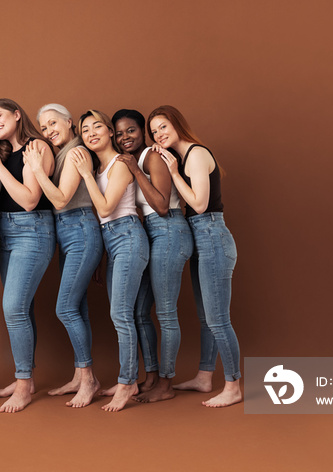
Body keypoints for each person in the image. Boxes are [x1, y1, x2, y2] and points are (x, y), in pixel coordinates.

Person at [148, 105, 242, 407]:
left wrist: (173, 172)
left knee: (218, 319)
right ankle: (204, 376)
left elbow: (200, 205)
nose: (159, 134)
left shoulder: (197, 154)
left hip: (212, 235)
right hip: (201, 238)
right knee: (206, 317)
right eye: (154, 131)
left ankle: (233, 385)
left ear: (177, 124)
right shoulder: (179, 156)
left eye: (163, 126)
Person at [0, 98, 56, 413]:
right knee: (23, 307)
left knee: (14, 307)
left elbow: (29, 199)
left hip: (33, 230)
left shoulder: (36, 147)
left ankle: (23, 384)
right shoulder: (6, 152)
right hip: (7, 232)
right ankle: (26, 377)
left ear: (16, 114)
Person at [22, 104, 103, 408]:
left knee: (65, 308)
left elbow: (59, 199)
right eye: (43, 127)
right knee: (77, 308)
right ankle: (80, 377)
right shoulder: (62, 153)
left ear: (70, 122)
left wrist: (37, 170)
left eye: (53, 123)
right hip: (69, 233)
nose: (48, 130)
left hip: (79, 229)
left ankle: (89, 378)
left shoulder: (74, 152)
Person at [110, 109, 193, 403]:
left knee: (166, 313)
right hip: (151, 235)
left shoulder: (151, 157)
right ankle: (152, 377)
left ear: (142, 131)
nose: (124, 138)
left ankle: (166, 384)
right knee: (139, 312)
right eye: (119, 133)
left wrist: (134, 169)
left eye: (130, 130)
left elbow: (160, 205)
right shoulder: (133, 159)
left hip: (170, 230)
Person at [71, 110, 149, 412]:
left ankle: (128, 381)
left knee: (121, 315)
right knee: (122, 315)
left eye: (97, 127)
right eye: (85, 129)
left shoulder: (120, 164)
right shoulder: (102, 167)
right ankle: (127, 378)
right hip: (113, 241)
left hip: (128, 236)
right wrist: (103, 257)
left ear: (109, 132)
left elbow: (105, 209)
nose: (91, 133)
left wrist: (86, 175)